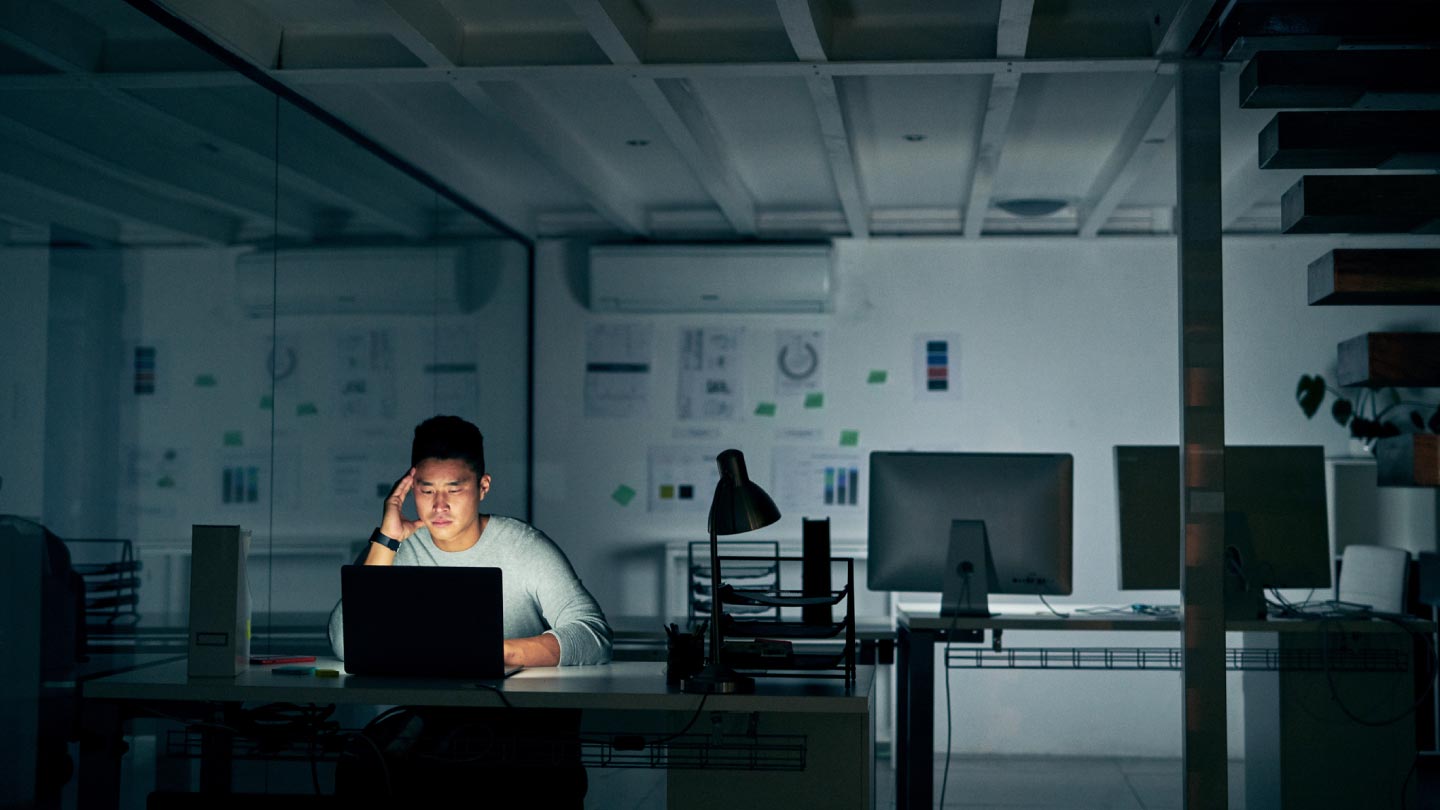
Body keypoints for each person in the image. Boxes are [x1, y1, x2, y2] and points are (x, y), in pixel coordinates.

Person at [328, 414, 612, 666]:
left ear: (482, 487)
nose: (439, 506)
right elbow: (346, 643)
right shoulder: (392, 547)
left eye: (454, 490)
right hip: (429, 711)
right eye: (427, 491)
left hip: (515, 710)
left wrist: (497, 653)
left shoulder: (523, 547)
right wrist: (387, 539)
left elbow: (592, 634)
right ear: (411, 489)